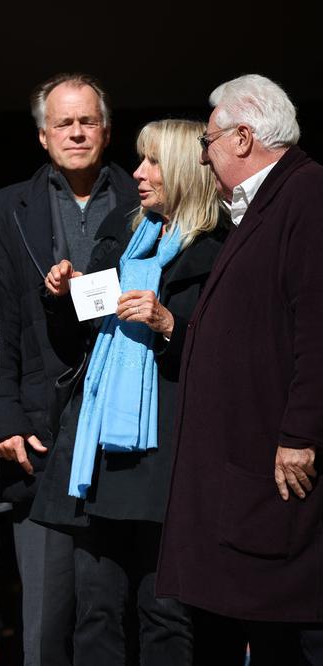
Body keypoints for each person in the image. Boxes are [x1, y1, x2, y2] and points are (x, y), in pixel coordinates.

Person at [33, 119, 228, 665]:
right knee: (95, 610)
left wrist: (170, 325)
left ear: (188, 170)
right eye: (139, 160)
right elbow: (79, 338)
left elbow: (234, 360)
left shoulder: (220, 249)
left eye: (153, 162)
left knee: (164, 614)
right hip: (102, 455)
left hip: (169, 458)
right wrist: (62, 296)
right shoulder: (125, 233)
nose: (138, 173)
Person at [0, 73, 137, 666]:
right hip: (42, 431)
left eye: (86, 121)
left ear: (107, 130)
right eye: (62, 123)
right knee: (45, 627)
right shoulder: (3, 209)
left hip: (129, 431)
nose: (75, 132)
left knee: (119, 619)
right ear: (42, 136)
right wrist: (1, 418)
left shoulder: (147, 200)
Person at [156, 74, 323, 665]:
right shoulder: (259, 206)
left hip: (272, 466)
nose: (204, 158)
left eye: (208, 143)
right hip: (235, 468)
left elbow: (315, 323)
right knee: (225, 622)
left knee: (282, 630)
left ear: (244, 138)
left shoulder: (305, 195)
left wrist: (300, 433)